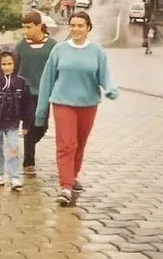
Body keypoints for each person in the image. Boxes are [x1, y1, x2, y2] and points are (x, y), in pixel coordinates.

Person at [35, 11, 118, 207]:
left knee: (80, 144)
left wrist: (111, 88)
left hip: (88, 105)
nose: (76, 29)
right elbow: (47, 81)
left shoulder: (97, 51)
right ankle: (65, 186)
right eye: (72, 25)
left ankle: (72, 176)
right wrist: (40, 112)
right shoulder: (59, 50)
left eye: (80, 25)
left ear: (88, 28)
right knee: (66, 144)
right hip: (63, 103)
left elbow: (104, 76)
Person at [0, 46, 33, 191]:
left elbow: (28, 105)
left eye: (10, 64)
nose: (7, 67)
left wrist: (26, 125)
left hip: (13, 123)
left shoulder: (23, 83)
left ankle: (14, 177)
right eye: (3, 64)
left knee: (13, 148)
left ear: (15, 64)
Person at [15, 11, 57, 176]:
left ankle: (29, 144)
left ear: (39, 26)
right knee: (31, 125)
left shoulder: (53, 45)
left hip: (45, 92)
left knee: (41, 126)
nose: (26, 31)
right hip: (25, 93)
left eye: (29, 27)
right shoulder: (20, 46)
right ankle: (29, 161)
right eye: (24, 27)